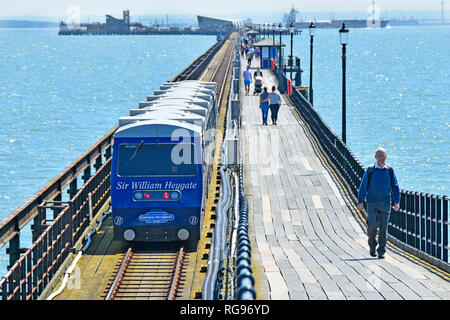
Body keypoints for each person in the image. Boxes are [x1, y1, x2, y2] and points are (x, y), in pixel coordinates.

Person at [357, 147, 400, 259]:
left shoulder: (389, 170)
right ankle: (372, 246)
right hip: (372, 202)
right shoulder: (370, 170)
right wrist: (360, 201)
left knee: (384, 228)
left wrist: (397, 202)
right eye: (379, 156)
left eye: (383, 156)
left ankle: (381, 250)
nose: (381, 158)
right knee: (372, 225)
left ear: (386, 157)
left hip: (385, 203)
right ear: (375, 157)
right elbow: (363, 186)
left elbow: (395, 186)